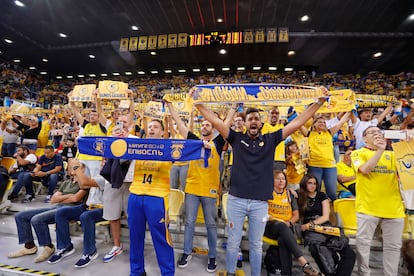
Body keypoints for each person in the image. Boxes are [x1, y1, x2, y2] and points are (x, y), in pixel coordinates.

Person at [194, 89, 328, 276]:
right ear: (246, 124)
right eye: (250, 119)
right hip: (236, 201)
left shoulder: (271, 139)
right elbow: (216, 122)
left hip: (259, 204)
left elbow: (298, 122)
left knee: (256, 244)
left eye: (256, 118)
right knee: (233, 242)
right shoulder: (236, 137)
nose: (253, 121)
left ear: (261, 122)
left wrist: (319, 103)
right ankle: (231, 272)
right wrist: (198, 103)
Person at [167, 102, 235, 272]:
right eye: (202, 124)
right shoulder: (193, 140)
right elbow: (180, 124)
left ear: (213, 128)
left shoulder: (218, 142)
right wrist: (170, 107)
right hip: (192, 188)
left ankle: (212, 255)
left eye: (208, 124)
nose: (204, 126)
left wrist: (233, 108)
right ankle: (186, 252)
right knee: (189, 222)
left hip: (210, 190)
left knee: (211, 224)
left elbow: (225, 123)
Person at [351, 126, 405, 276]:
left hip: (393, 208)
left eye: (379, 132)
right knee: (363, 245)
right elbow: (365, 170)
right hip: (368, 207)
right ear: (364, 139)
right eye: (372, 132)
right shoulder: (358, 153)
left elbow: (407, 171)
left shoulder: (393, 155)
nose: (377, 134)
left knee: (393, 247)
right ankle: (364, 274)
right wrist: (380, 150)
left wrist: (408, 144)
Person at [7, 161, 87, 263]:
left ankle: (48, 246)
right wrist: (68, 197)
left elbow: (76, 199)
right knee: (20, 216)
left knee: (37, 219)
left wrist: (62, 198)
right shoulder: (67, 182)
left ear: (82, 170)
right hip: (57, 206)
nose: (72, 169)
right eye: (71, 167)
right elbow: (53, 199)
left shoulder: (84, 183)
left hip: (71, 209)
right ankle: (29, 247)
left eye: (76, 167)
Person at [128, 119, 174, 276]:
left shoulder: (169, 148)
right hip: (135, 195)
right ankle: (137, 271)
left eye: (155, 127)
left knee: (161, 239)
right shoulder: (138, 146)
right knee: (135, 237)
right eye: (149, 127)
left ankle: (167, 273)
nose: (151, 129)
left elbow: (186, 144)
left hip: (157, 197)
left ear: (163, 131)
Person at [48, 159, 105, 268]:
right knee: (61, 212)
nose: (102, 163)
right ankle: (65, 246)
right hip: (88, 206)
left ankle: (90, 252)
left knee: (86, 216)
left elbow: (84, 183)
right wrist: (78, 169)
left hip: (103, 209)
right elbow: (83, 186)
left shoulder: (105, 177)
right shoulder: (90, 176)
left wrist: (75, 167)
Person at [264, 170, 320, 275]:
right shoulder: (267, 192)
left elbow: (296, 215)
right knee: (281, 227)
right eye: (278, 179)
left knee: (283, 238)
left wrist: (289, 223)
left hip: (286, 226)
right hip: (270, 225)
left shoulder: (290, 194)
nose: (281, 181)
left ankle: (287, 273)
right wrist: (281, 222)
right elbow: (263, 213)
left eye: (283, 179)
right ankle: (304, 263)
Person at [298, 174, 356, 276]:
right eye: (310, 183)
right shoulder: (299, 196)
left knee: (350, 254)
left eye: (315, 183)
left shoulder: (321, 196)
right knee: (320, 252)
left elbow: (325, 216)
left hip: (324, 225)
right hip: (310, 231)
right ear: (304, 184)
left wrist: (312, 224)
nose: (313, 186)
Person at [101, 115, 136, 263]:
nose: (122, 125)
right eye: (119, 122)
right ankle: (116, 245)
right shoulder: (110, 138)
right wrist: (113, 140)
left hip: (131, 183)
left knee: (133, 216)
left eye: (125, 122)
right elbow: (103, 157)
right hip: (113, 181)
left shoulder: (136, 140)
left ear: (131, 124)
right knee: (112, 214)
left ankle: (135, 246)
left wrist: (125, 138)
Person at [301, 112, 351, 200]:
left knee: (332, 192)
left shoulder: (329, 132)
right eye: (319, 122)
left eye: (324, 122)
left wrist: (350, 110)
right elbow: (299, 123)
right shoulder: (309, 134)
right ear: (314, 124)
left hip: (330, 166)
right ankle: (316, 211)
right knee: (314, 191)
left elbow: (341, 121)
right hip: (314, 166)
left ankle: (335, 212)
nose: (322, 123)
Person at [261, 106, 286, 171]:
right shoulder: (262, 125)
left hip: (279, 161)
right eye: (272, 113)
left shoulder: (283, 126)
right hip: (265, 160)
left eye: (276, 113)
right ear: (268, 114)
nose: (274, 115)